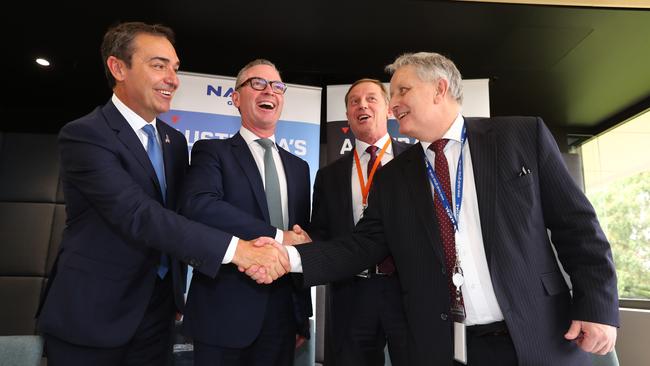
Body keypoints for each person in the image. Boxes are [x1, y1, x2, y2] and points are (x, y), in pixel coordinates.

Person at [250, 52, 619, 365]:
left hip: (537, 334)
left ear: (440, 88)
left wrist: (597, 306)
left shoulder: (521, 137)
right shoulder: (394, 178)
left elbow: (577, 227)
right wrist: (289, 257)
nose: (392, 104)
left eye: (402, 91)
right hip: (445, 346)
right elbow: (360, 246)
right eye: (392, 95)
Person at [36, 22, 287, 366]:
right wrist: (239, 250)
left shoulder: (174, 142)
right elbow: (139, 214)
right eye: (158, 65)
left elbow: (184, 214)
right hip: (92, 315)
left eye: (175, 67)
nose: (172, 78)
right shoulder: (85, 135)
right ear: (118, 67)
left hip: (158, 314)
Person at [178, 59, 312, 366]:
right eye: (258, 83)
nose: (270, 91)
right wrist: (279, 237)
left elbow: (301, 235)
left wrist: (301, 314)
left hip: (282, 317)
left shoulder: (300, 167)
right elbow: (200, 206)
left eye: (277, 86)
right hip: (222, 313)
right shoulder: (212, 152)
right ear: (236, 98)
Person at [310, 79, 410, 366]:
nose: (362, 105)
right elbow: (321, 232)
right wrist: (303, 245)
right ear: (348, 116)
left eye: (370, 99)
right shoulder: (329, 175)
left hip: (406, 291)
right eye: (354, 101)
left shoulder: (416, 161)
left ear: (389, 109)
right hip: (351, 294)